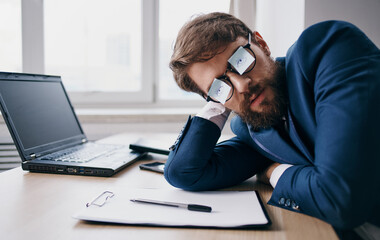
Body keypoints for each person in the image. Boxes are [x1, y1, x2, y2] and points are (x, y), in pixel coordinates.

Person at [164, 12, 380, 239]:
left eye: (240, 60)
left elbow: (341, 201)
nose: (242, 85)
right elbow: (183, 172)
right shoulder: (255, 130)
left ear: (261, 44)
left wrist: (275, 172)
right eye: (219, 86)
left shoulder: (325, 51)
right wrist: (219, 101)